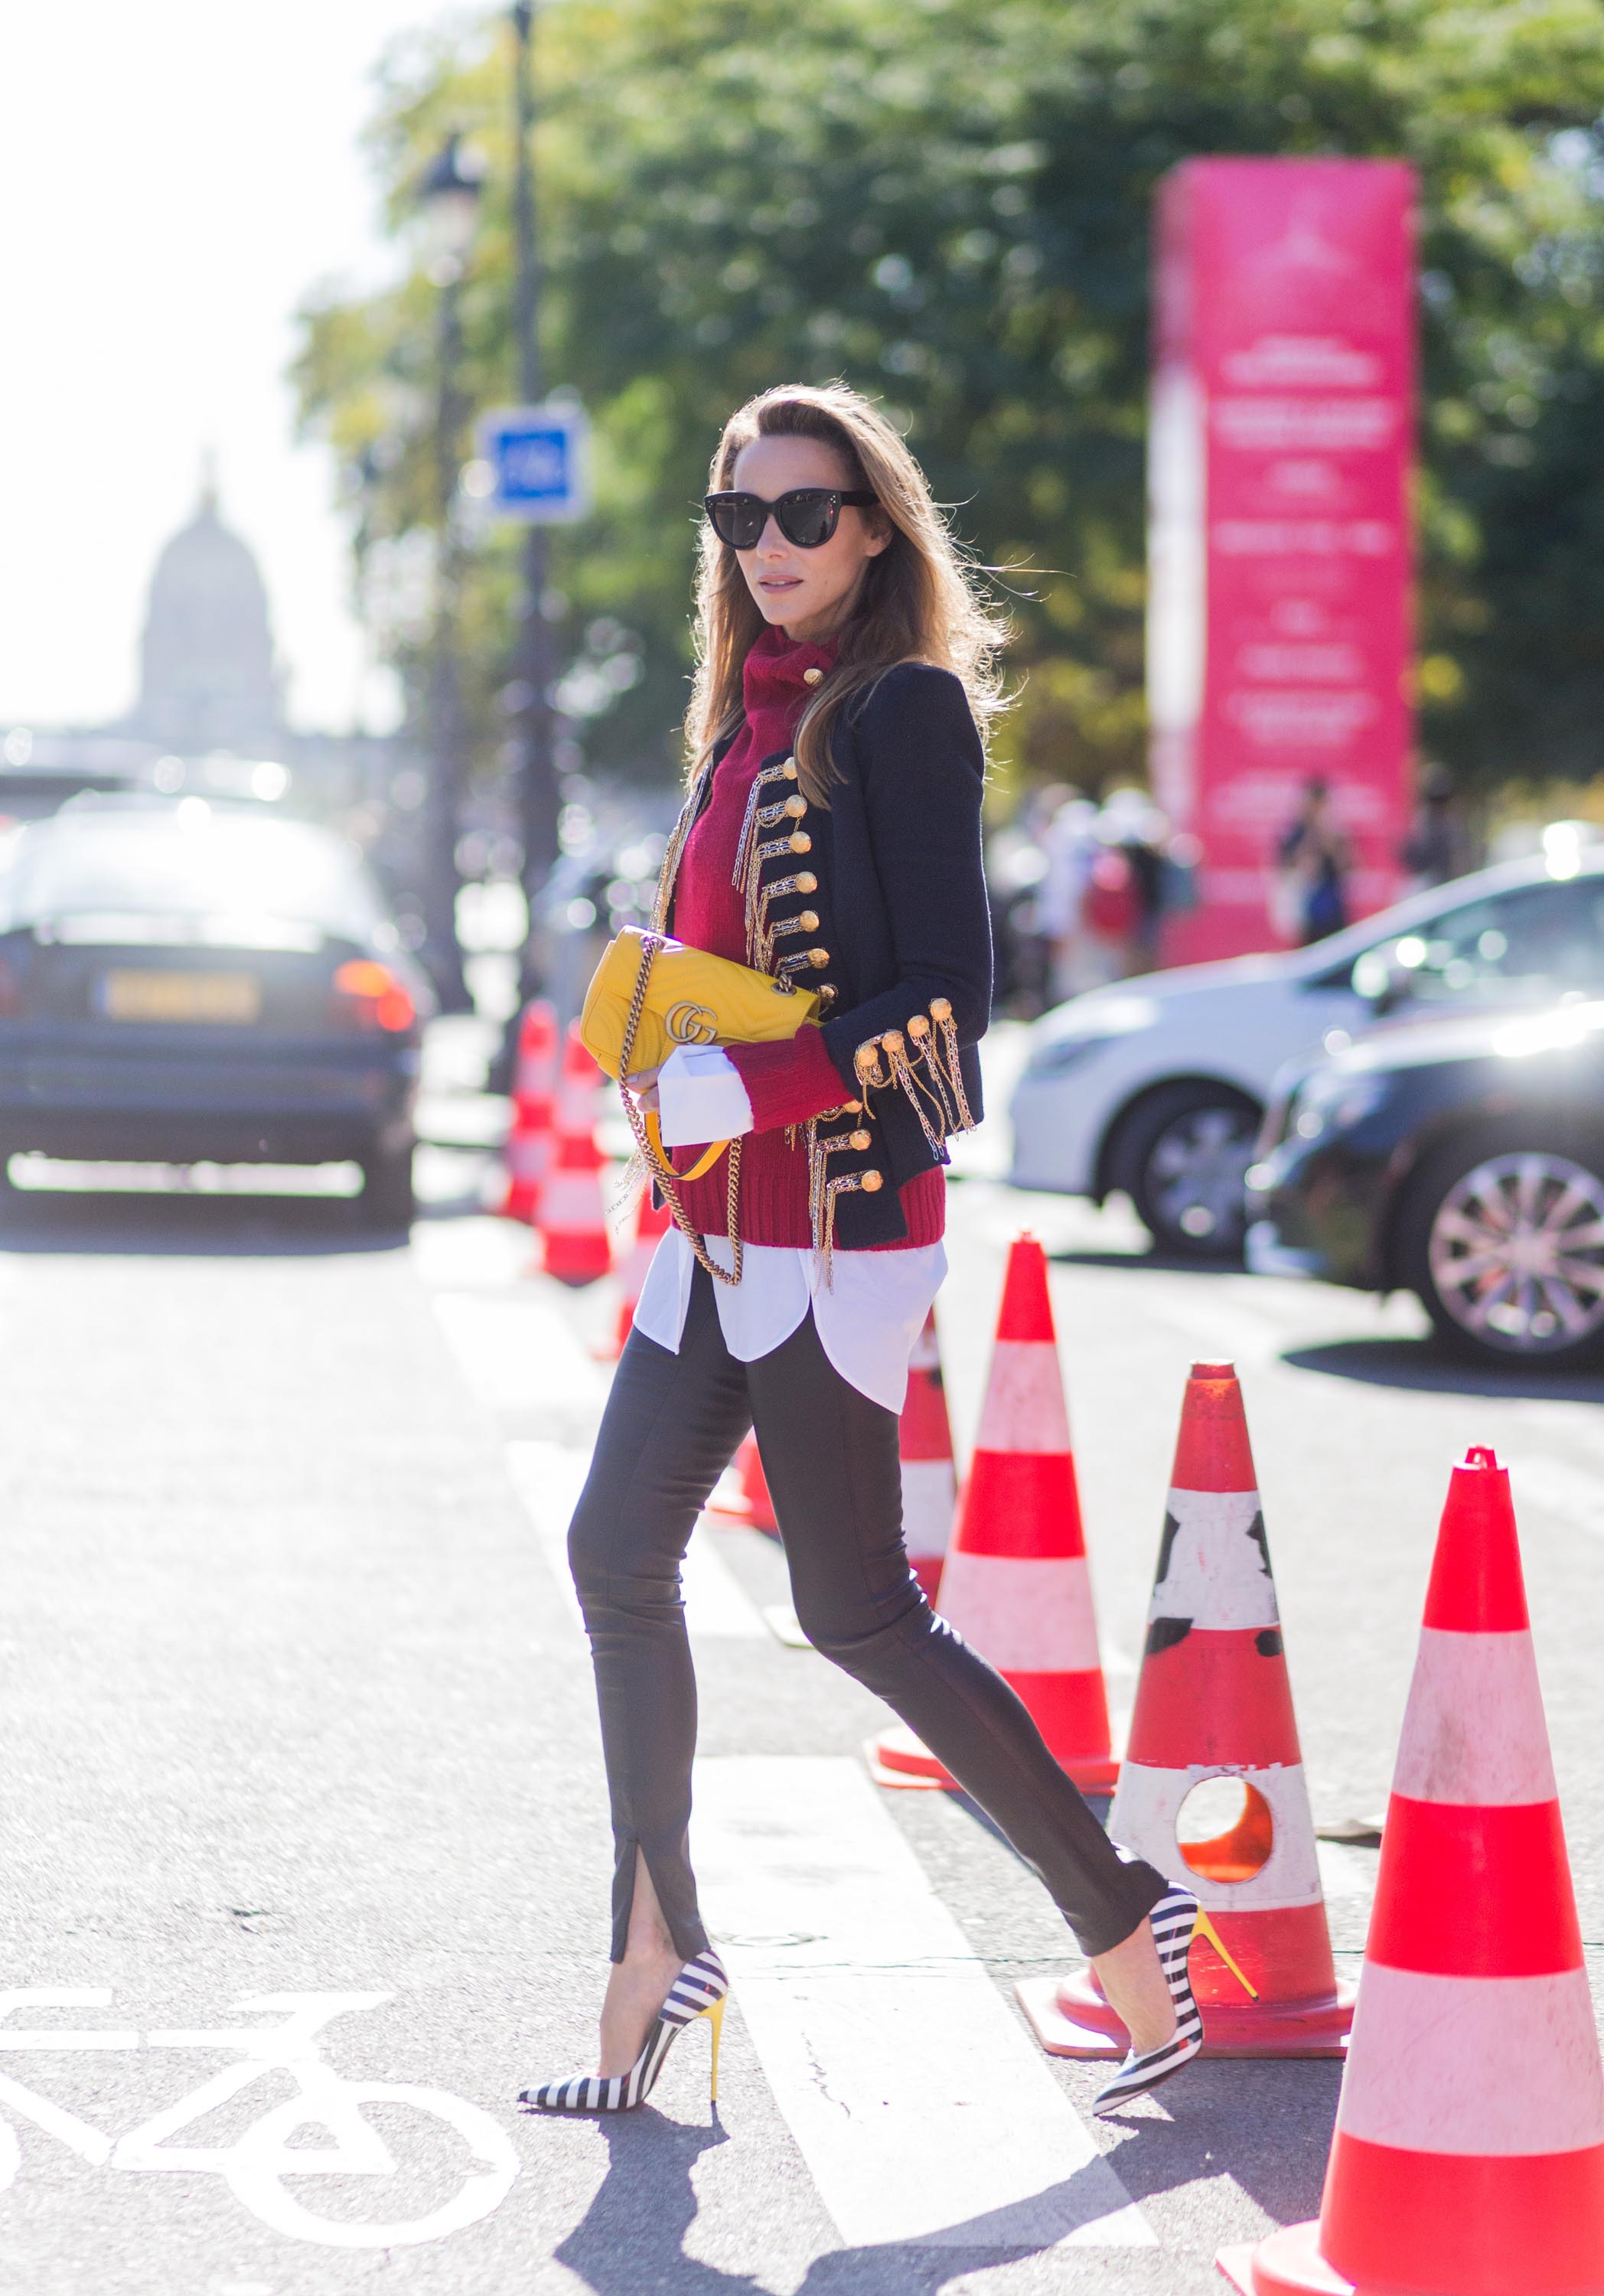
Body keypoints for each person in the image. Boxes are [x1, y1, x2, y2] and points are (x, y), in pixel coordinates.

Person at [520, 381, 1222, 2123]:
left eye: (805, 511)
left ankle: (1126, 1914)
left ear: (878, 523)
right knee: (617, 1549)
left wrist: (738, 1069)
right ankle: (653, 1940)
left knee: (855, 1610)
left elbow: (946, 1007)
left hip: (829, 1223)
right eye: (737, 516)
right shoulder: (739, 720)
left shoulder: (900, 710)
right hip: (711, 1225)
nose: (769, 546)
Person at [1275, 778, 1351, 946]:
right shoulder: (1296, 832)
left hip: (1331, 910)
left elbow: (1346, 867)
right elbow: (1286, 864)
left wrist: (1327, 835)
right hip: (1304, 909)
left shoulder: (1335, 833)